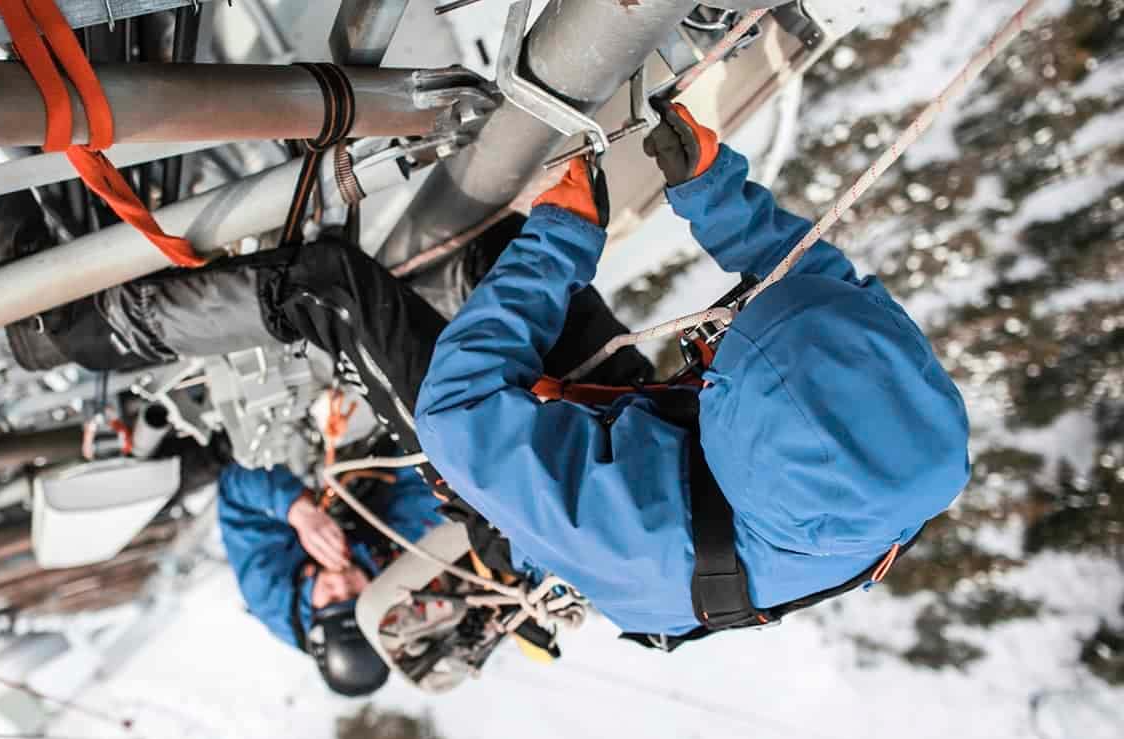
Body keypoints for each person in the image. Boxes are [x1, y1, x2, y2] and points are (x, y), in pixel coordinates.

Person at [413, 102, 971, 646]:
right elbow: (817, 297)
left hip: (619, 540)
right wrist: (716, 194)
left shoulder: (637, 531)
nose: (719, 329)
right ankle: (482, 258)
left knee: (343, 291)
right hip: (685, 454)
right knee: (505, 252)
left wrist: (558, 241)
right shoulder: (902, 421)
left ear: (718, 404)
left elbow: (455, 410)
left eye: (721, 353)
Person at [217, 458, 443, 695]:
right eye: (355, 594)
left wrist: (296, 509)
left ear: (314, 614)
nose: (342, 583)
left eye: (332, 599)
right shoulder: (394, 572)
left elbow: (234, 484)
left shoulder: (268, 588)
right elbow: (420, 485)